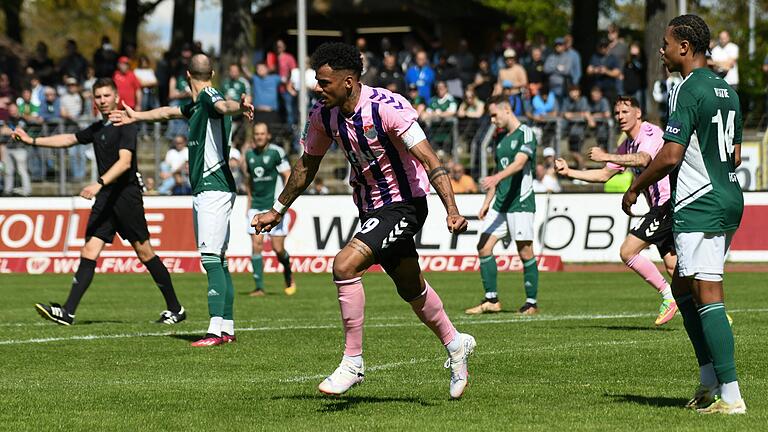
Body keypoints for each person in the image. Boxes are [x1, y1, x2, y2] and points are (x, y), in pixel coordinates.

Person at [251, 42, 475, 399]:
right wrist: (278, 209)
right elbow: (307, 164)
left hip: (406, 205)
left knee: (345, 265)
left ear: (349, 82)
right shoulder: (323, 114)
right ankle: (455, 343)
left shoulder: (388, 108)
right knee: (411, 289)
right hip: (370, 209)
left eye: (324, 82)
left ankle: (353, 362)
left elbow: (431, 160)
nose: (317, 88)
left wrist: (452, 208)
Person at [622, 14, 746, 414]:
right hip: (728, 194)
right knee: (681, 288)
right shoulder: (727, 89)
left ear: (684, 48)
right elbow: (735, 154)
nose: (662, 50)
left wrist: (636, 185)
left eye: (667, 43)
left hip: (701, 201)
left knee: (708, 293)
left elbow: (671, 154)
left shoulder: (687, 88)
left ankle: (731, 396)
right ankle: (709, 380)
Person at [12, 78, 186, 326]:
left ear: (116, 97)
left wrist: (98, 183)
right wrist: (32, 141)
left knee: (144, 251)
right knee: (89, 250)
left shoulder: (126, 124)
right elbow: (69, 139)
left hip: (125, 196)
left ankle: (176, 308)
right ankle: (68, 312)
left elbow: (125, 162)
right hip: (106, 198)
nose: (103, 101)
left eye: (107, 96)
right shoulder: (98, 128)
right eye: (98, 97)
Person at [109, 54, 254, 347]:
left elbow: (222, 106)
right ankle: (226, 327)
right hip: (214, 187)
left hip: (213, 187)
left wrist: (239, 107)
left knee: (210, 259)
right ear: (211, 72)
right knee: (219, 261)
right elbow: (167, 112)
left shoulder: (209, 97)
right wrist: (137, 116)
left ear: (187, 75)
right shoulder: (197, 104)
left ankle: (215, 331)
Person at [555, 96, 678, 325]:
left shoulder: (650, 133)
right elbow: (604, 175)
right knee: (673, 266)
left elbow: (644, 159)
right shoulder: (627, 143)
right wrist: (569, 172)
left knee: (628, 251)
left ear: (638, 113)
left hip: (666, 204)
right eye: (617, 113)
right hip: (659, 207)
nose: (620, 116)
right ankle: (711, 311)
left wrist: (606, 155)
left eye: (625, 111)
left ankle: (668, 296)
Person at [465, 96, 539, 316]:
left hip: (521, 202)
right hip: (500, 204)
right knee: (484, 246)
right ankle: (491, 300)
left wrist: (496, 178)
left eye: (494, 114)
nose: (492, 119)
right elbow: (500, 171)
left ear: (507, 109)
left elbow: (519, 163)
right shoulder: (500, 139)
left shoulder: (526, 133)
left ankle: (531, 303)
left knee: (525, 251)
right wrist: (487, 202)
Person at [243, 122, 295, 297]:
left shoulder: (276, 153)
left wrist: (283, 204)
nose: (259, 136)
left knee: (277, 249)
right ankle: (259, 287)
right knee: (256, 244)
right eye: (256, 134)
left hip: (274, 207)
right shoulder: (248, 154)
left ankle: (287, 269)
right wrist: (248, 205)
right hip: (256, 207)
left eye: (262, 133)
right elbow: (249, 182)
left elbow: (288, 176)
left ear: (268, 136)